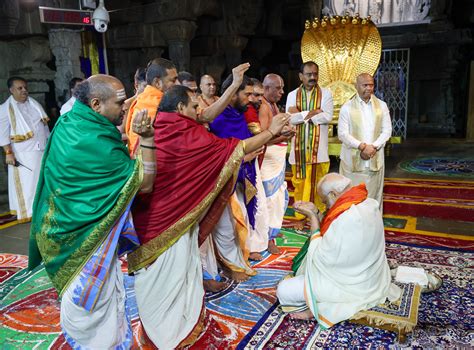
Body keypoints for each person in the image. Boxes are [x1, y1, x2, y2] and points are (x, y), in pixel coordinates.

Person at [127, 83, 290, 348]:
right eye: (194, 106)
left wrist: (272, 136)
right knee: (173, 272)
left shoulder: (160, 126)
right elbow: (234, 148)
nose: (199, 109)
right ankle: (169, 335)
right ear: (180, 108)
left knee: (175, 272)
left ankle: (174, 328)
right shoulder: (182, 131)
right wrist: (271, 132)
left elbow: (229, 149)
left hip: (158, 219)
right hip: (169, 219)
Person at [28, 74, 156, 349]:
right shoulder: (96, 142)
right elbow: (143, 184)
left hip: (60, 229)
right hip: (84, 236)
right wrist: (146, 139)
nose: (125, 107)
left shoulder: (71, 122)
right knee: (93, 297)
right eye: (120, 102)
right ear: (96, 104)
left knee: (106, 291)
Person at [276, 173, 400, 328]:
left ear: (333, 194)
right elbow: (333, 231)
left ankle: (317, 308)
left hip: (350, 286)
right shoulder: (368, 203)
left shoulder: (347, 217)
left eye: (324, 201)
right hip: (371, 278)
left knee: (284, 290)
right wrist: (317, 213)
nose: (326, 206)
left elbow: (320, 256)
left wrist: (313, 218)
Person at [286, 61, 334, 228]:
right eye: (309, 74)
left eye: (315, 74)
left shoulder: (326, 94)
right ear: (301, 76)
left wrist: (301, 116)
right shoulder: (292, 95)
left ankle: (318, 216)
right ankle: (301, 218)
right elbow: (290, 118)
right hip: (298, 153)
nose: (313, 77)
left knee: (320, 186)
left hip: (318, 151)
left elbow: (327, 117)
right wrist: (314, 113)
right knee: (299, 186)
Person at [338, 73, 392, 210]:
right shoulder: (347, 107)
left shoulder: (382, 106)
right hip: (353, 163)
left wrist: (373, 147)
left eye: (371, 85)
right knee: (352, 200)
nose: (369, 88)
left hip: (374, 158)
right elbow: (343, 134)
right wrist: (362, 146)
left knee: (373, 199)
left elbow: (387, 131)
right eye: (365, 85)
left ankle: (371, 228)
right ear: (356, 86)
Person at [0, 77, 50, 222]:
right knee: (26, 185)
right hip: (23, 153)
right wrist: (8, 153)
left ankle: (41, 209)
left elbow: (44, 126)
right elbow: (2, 133)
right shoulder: (5, 108)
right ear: (11, 90)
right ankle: (29, 212)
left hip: (41, 149)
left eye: (25, 88)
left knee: (40, 182)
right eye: (20, 88)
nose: (24, 91)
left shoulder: (34, 104)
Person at [259, 73, 292, 251]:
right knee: (269, 200)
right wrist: (282, 135)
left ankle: (271, 232)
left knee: (278, 197)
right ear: (266, 88)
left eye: (282, 87)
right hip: (269, 161)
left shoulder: (272, 105)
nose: (282, 92)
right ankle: (266, 239)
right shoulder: (264, 107)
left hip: (277, 159)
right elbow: (263, 137)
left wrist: (285, 133)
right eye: (278, 88)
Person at [125, 58, 178, 155]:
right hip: (146, 160)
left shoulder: (143, 98)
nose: (177, 84)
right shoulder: (156, 103)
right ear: (157, 82)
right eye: (173, 80)